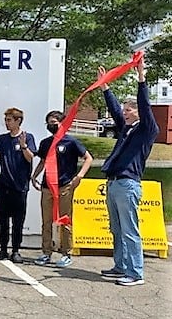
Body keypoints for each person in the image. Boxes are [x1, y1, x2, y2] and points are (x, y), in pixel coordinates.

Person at [98, 59, 158, 286]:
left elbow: (145, 105)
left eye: (128, 109)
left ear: (138, 113)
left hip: (128, 184)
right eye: (124, 110)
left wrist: (141, 77)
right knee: (117, 229)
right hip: (114, 183)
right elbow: (114, 110)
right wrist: (105, 87)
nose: (124, 113)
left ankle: (135, 273)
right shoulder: (126, 129)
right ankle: (120, 266)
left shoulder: (146, 130)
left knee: (130, 230)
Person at [31, 110, 93, 268]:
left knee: (65, 220)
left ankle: (66, 253)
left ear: (62, 123)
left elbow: (88, 158)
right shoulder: (46, 143)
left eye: (54, 123)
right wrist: (34, 176)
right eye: (49, 123)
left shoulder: (70, 142)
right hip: (47, 186)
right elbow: (43, 161)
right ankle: (46, 252)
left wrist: (79, 176)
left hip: (65, 185)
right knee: (46, 221)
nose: (51, 126)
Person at [0, 107, 36, 263]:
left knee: (18, 221)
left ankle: (16, 250)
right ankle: (3, 249)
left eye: (9, 120)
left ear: (18, 120)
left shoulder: (28, 137)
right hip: (3, 185)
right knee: (2, 220)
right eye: (5, 120)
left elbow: (30, 157)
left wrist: (24, 145)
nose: (6, 123)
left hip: (20, 186)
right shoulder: (3, 139)